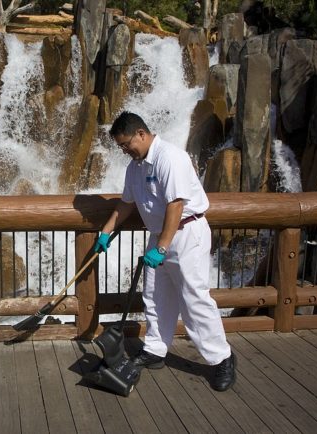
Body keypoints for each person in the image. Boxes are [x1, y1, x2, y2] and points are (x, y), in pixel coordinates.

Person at [93, 111, 236, 392]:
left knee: (194, 299)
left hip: (186, 233)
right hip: (161, 235)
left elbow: (176, 205)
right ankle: (156, 349)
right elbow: (126, 204)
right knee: (155, 296)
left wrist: (161, 247)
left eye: (126, 144)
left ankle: (222, 359)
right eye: (120, 147)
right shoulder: (135, 166)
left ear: (141, 134)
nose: (124, 151)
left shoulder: (169, 157)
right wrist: (106, 231)